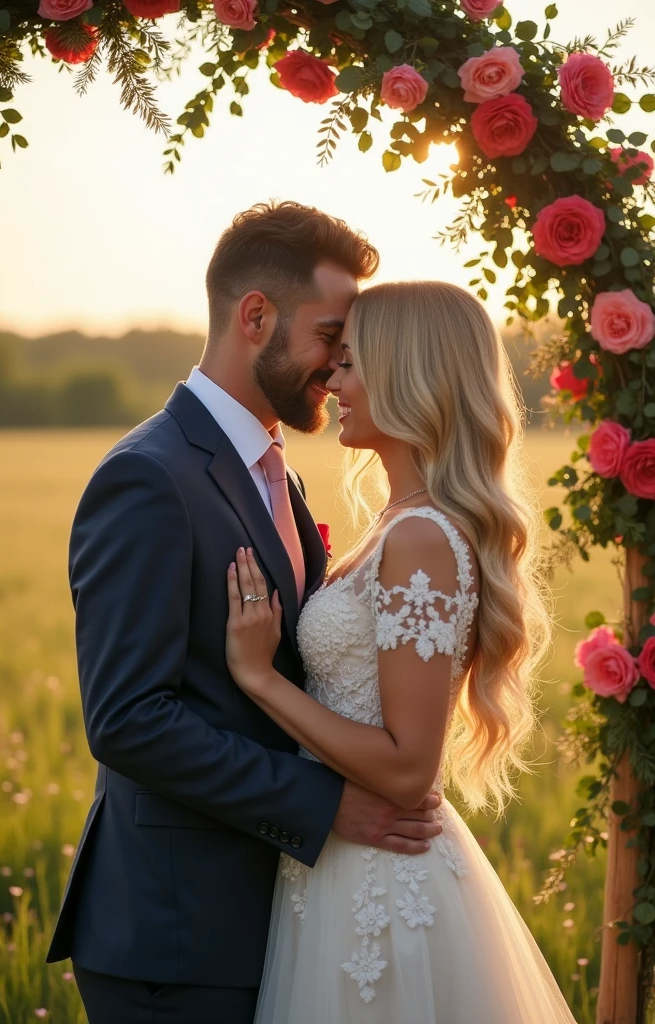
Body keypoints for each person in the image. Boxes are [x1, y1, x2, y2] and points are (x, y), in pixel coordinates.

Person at [45, 202, 444, 1024]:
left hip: (273, 916)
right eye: (330, 337)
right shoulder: (150, 478)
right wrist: (325, 803)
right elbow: (128, 719)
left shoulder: (274, 473)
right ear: (254, 316)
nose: (339, 367)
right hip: (176, 936)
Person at [225, 281, 579, 1023]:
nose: (332, 381)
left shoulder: (421, 540)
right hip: (338, 863)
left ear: (407, 375)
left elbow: (408, 765)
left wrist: (260, 680)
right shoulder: (397, 523)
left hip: (381, 879)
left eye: (350, 363)